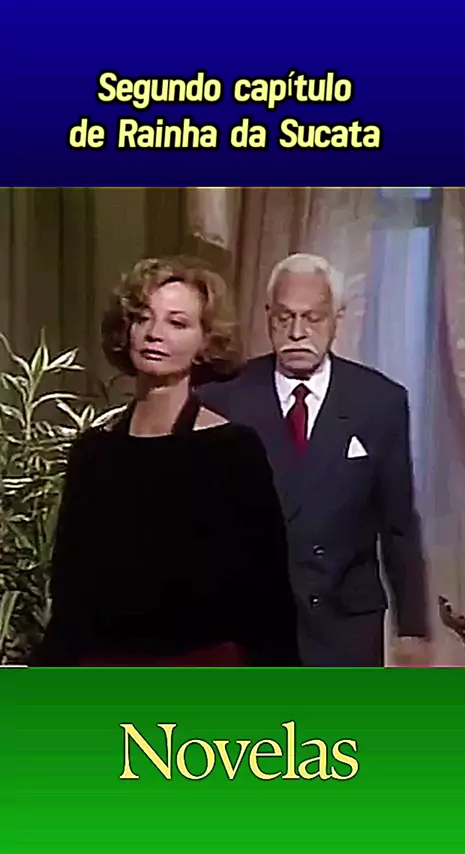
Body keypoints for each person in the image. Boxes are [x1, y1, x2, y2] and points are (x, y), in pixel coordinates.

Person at [33, 257, 299, 667]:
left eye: (177, 323)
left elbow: (268, 599)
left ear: (206, 342)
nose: (155, 333)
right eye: (143, 318)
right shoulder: (94, 453)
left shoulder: (231, 450)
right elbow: (70, 596)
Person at [197, 253, 431, 667]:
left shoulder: (380, 401)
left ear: (337, 318)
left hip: (345, 627)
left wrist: (412, 626)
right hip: (251, 626)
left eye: (313, 318)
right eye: (284, 318)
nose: (297, 332)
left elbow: (398, 524)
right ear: (267, 315)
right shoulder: (223, 399)